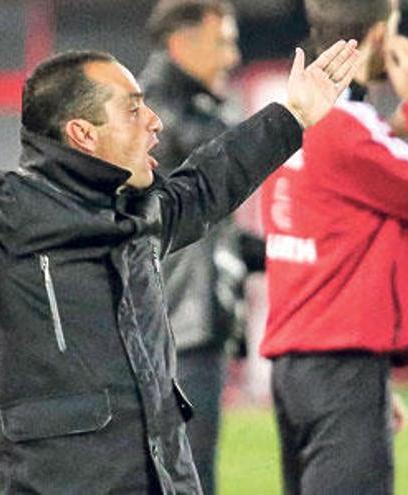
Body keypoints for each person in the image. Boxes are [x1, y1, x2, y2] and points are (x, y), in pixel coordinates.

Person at [0, 41, 360, 493]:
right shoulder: (7, 214)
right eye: (133, 109)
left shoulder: (142, 209)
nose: (154, 122)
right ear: (82, 133)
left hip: (164, 479)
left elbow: (211, 180)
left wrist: (292, 115)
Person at [258, 1, 408, 493]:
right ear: (379, 36)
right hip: (340, 368)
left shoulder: (290, 115)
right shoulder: (346, 128)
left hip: (299, 367)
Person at [139, 2, 266, 492]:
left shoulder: (194, 105)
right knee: (186, 474)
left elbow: (213, 230)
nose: (232, 56)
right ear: (180, 42)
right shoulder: (156, 109)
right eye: (222, 42)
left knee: (187, 469)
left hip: (186, 318)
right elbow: (223, 162)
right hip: (177, 320)